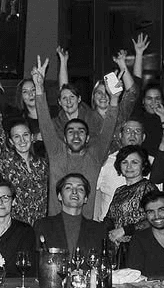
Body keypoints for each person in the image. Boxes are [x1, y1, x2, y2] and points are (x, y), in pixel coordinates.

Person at [35, 57, 118, 219]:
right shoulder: (56, 153)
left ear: (87, 138)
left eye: (81, 131)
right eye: (71, 132)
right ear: (64, 138)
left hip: (85, 226)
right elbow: (44, 121)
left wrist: (114, 99)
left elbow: (108, 129)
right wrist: (39, 88)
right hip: (55, 225)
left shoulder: (95, 155)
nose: (76, 135)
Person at [0, 63, 48, 226]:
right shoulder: (7, 160)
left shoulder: (42, 163)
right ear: (11, 141)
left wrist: (40, 86)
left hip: (40, 227)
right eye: (17, 137)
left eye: (25, 135)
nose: (22, 140)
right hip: (16, 228)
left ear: (31, 137)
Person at [33, 173, 108, 256]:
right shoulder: (43, 225)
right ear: (60, 196)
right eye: (68, 187)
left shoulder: (98, 230)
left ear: (85, 198)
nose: (74, 192)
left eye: (80, 189)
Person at [92, 119, 149, 221]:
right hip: (108, 224)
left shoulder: (153, 162)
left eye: (137, 131)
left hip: (141, 226)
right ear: (120, 135)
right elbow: (93, 191)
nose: (132, 134)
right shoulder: (106, 162)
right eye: (128, 130)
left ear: (143, 137)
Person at [105, 146, 159, 251]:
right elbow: (110, 218)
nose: (129, 166)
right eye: (124, 162)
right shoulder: (119, 191)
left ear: (143, 166)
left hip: (140, 247)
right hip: (118, 248)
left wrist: (125, 230)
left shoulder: (148, 188)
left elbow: (155, 219)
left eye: (134, 162)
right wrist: (110, 232)